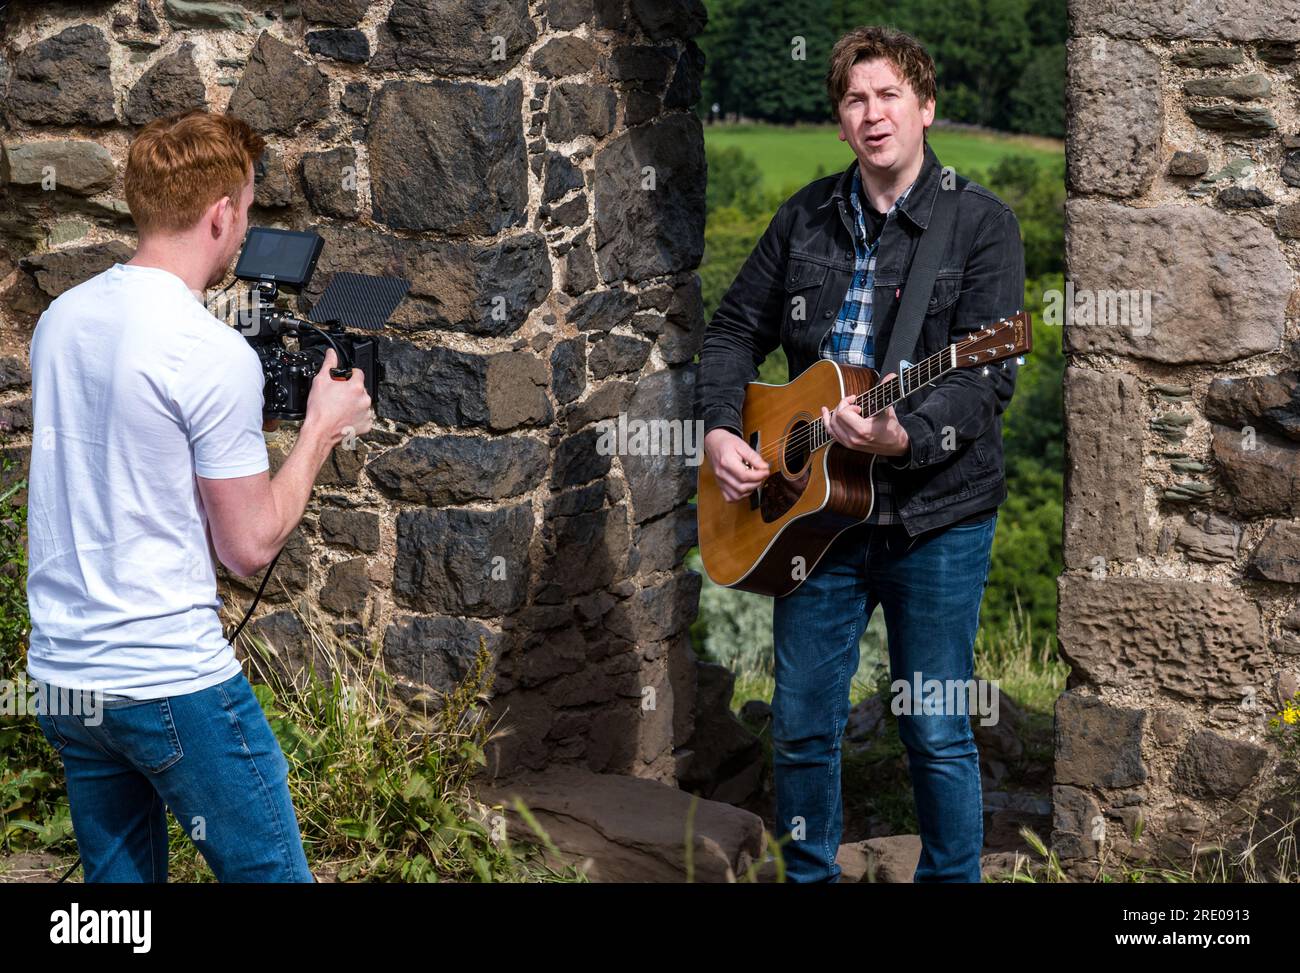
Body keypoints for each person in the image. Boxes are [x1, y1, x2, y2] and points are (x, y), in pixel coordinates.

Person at [695, 26, 1026, 882]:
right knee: (803, 722)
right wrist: (724, 427)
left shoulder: (981, 224)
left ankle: (951, 878)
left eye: (889, 96)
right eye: (854, 99)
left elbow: (983, 388)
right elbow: (733, 330)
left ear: (926, 107)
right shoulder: (804, 214)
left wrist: (903, 434)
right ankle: (810, 874)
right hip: (815, 522)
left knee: (937, 726)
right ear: (839, 120)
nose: (873, 115)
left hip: (935, 518)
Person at [25, 109, 373, 882]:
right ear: (221, 212)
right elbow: (248, 547)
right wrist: (320, 428)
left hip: (65, 674)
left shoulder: (60, 320)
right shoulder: (208, 351)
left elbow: (125, 463)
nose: (245, 229)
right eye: (246, 211)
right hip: (167, 682)